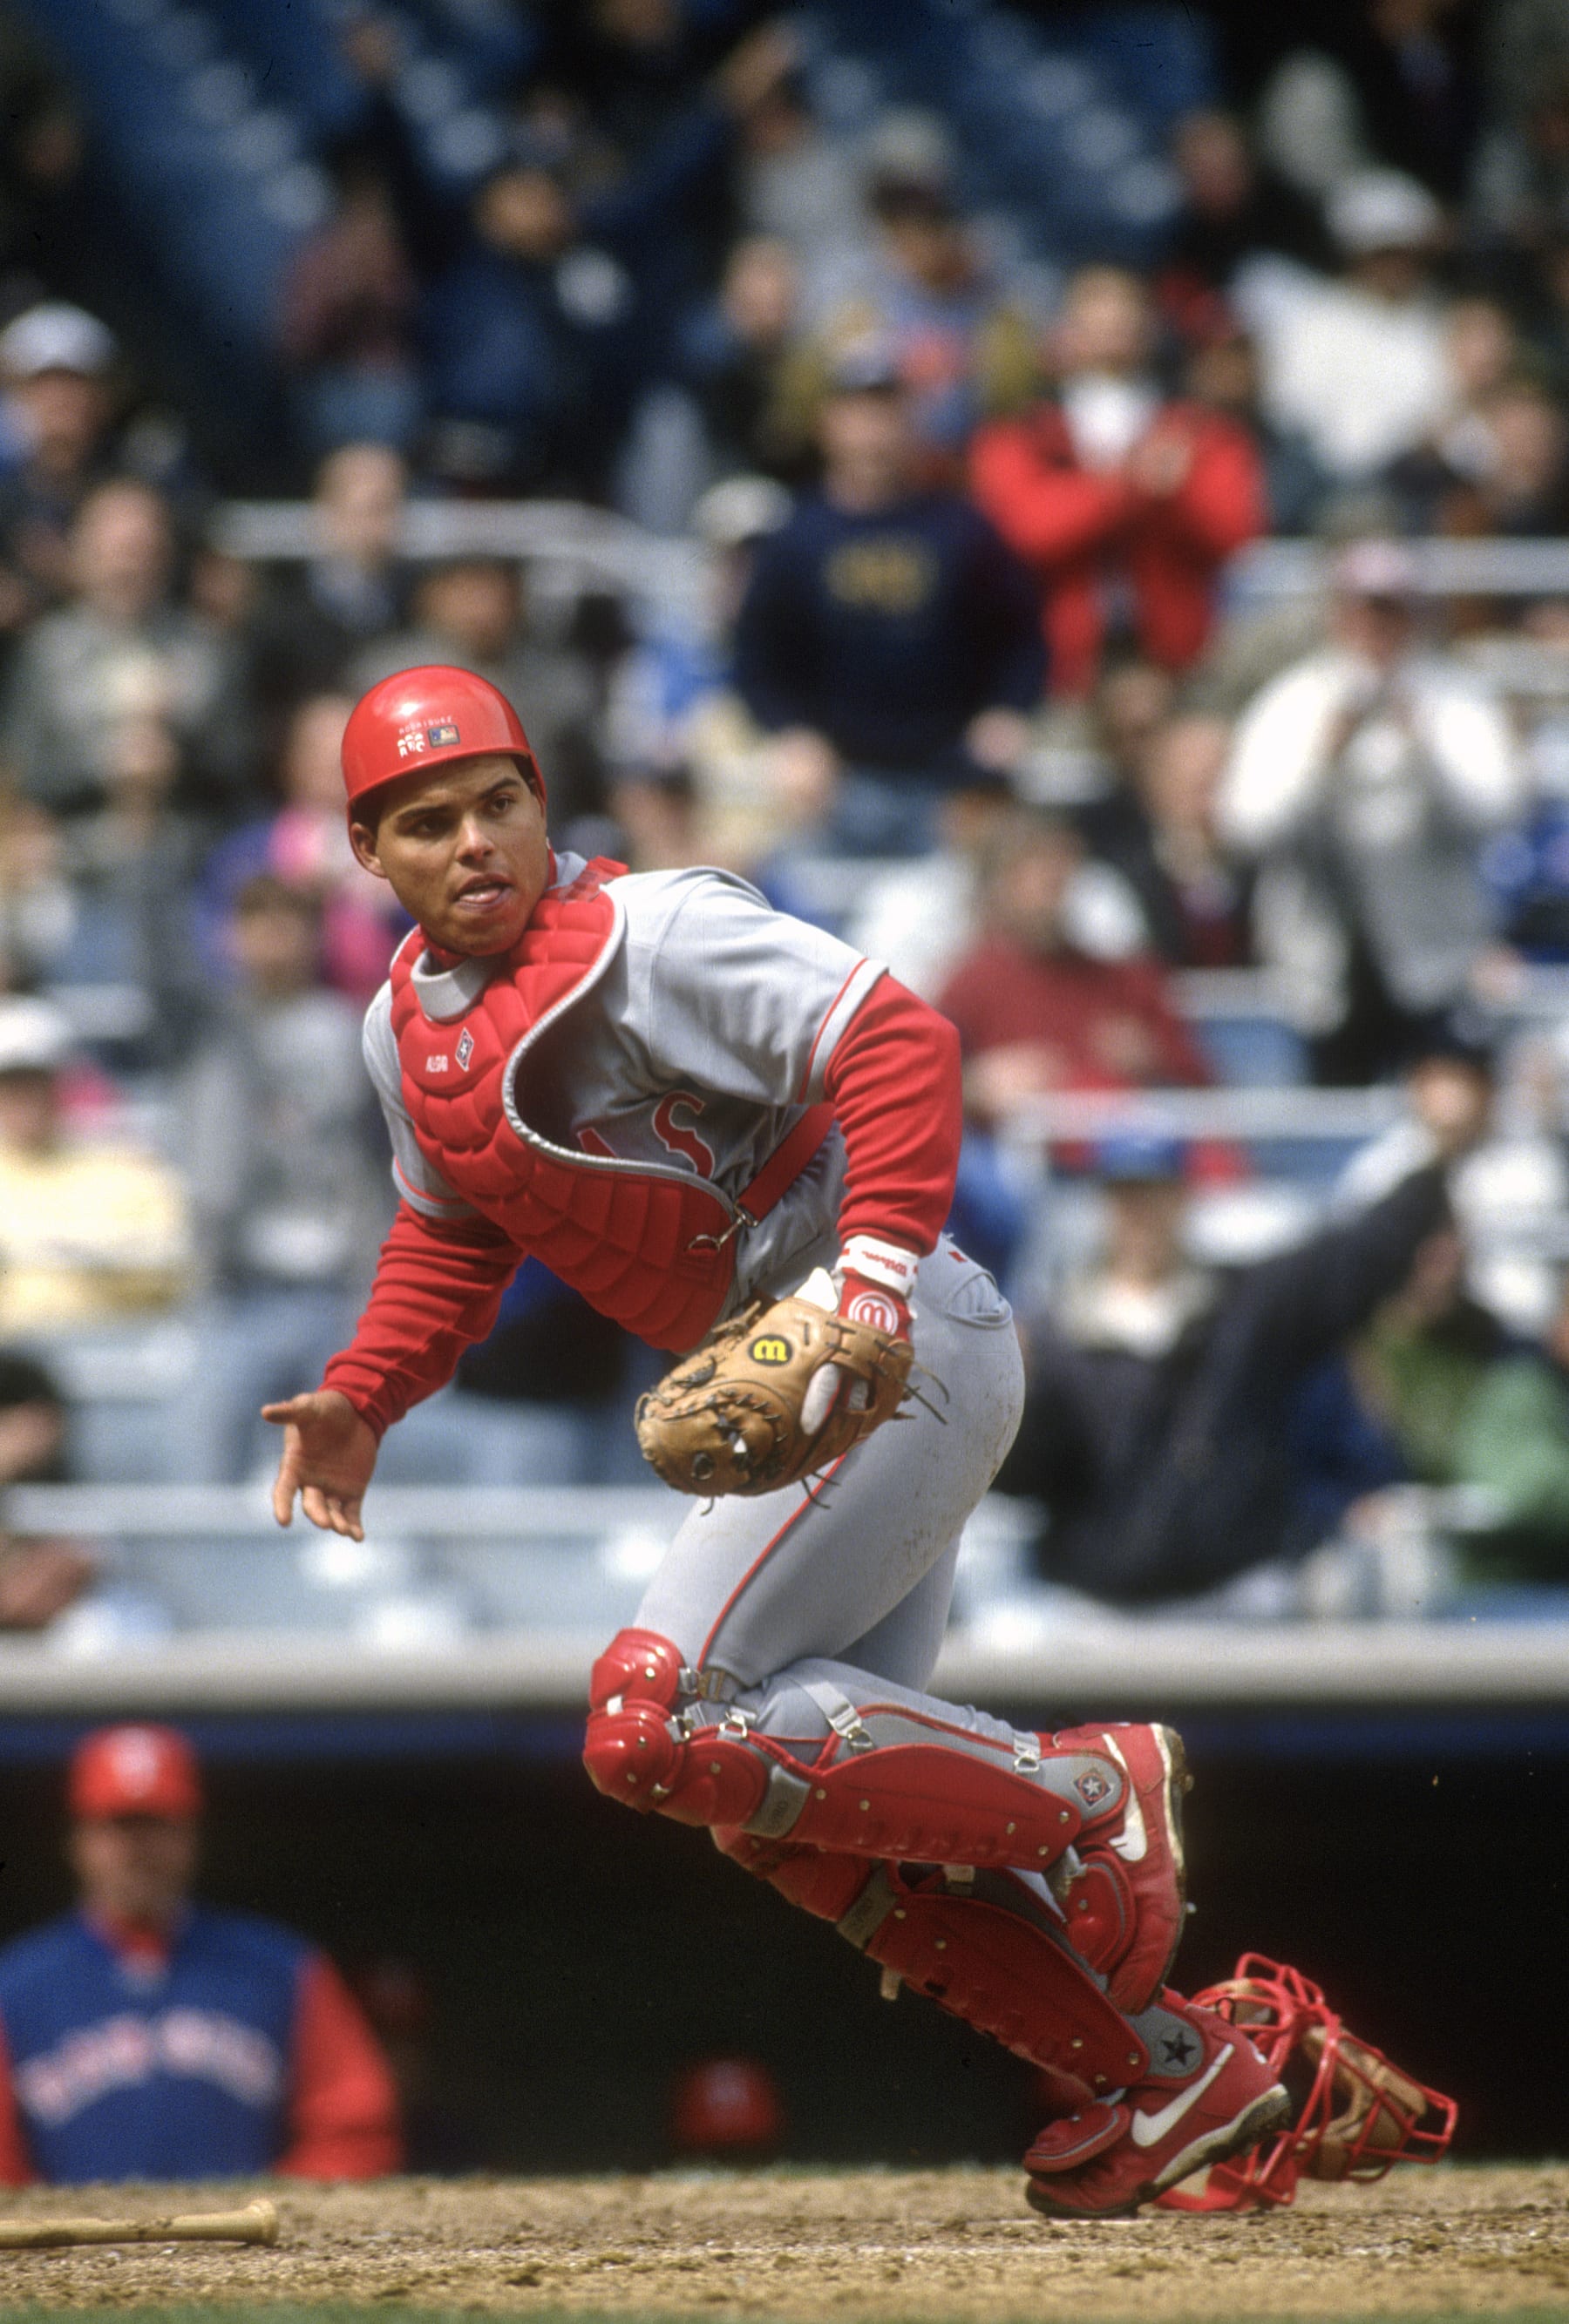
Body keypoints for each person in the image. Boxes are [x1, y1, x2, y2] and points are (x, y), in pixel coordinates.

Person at [262, 663, 1292, 2219]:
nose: (474, 839)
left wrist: (870, 1282)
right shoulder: (402, 1033)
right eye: (428, 821)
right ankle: (1167, 2077)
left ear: (544, 800)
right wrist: (366, 1391)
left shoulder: (654, 929)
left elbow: (900, 1043)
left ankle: (1093, 1796)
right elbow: (452, 1236)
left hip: (896, 1339)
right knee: (781, 1805)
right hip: (795, 1384)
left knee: (647, 1723)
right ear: (368, 854)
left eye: (499, 801)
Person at [995, 1078, 1488, 1603]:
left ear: (1183, 1196)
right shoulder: (1057, 1337)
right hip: (1094, 1608)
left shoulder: (1245, 1309)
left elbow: (1359, 1259)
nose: (1140, 1213)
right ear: (1104, 1202)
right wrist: (1009, 1398)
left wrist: (1438, 1156)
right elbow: (1024, 1477)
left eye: (1155, 1191)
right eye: (1125, 1194)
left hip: (1237, 1603)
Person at [0, 1724, 400, 2183]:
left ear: (192, 1836)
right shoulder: (15, 1986)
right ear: (78, 1841)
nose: (138, 1851)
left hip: (245, 2246)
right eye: (119, 1827)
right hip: (79, 2249)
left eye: (158, 1827)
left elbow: (355, 2131)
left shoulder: (282, 1968)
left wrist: (280, 2218)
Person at [1219, 539, 1527, 1084]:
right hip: (1320, 968)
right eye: (1364, 610)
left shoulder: (1455, 699)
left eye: (1391, 611)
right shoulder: (1292, 702)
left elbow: (1499, 812)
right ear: (1339, 615)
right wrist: (1320, 760)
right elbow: (1245, 827)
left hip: (1436, 964)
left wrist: (1427, 750)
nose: (1376, 628)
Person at [732, 342, 1044, 856]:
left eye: (887, 414)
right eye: (857, 414)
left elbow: (1022, 635)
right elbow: (756, 656)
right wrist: (789, 733)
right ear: (828, 424)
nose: (872, 432)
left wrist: (1007, 712)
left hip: (948, 781)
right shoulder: (796, 536)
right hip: (831, 784)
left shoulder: (960, 529)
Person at [970, 266, 1264, 700]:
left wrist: (1171, 499)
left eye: (1123, 320)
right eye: (1096, 321)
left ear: (1149, 329)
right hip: (1058, 668)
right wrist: (1128, 486)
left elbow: (1235, 533)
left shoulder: (1202, 430)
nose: (1111, 335)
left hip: (1176, 663)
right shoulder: (1020, 434)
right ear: (1064, 333)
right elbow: (1018, 534)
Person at [0, 996, 192, 1342]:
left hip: (118, 1346)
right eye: (11, 1084)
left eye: (35, 1081)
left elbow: (169, 1270)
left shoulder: (124, 1166)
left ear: (60, 1086)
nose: (23, 1098)